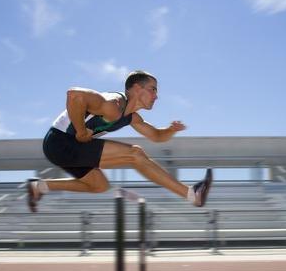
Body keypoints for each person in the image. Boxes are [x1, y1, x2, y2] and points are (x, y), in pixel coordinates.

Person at [26, 70, 212, 212]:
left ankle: (39, 186)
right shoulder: (113, 104)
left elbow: (155, 136)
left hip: (71, 148)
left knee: (99, 185)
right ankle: (191, 194)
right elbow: (74, 95)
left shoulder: (132, 117)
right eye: (153, 89)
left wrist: (171, 130)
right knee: (135, 154)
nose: (156, 96)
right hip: (60, 141)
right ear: (137, 88)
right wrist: (81, 131)